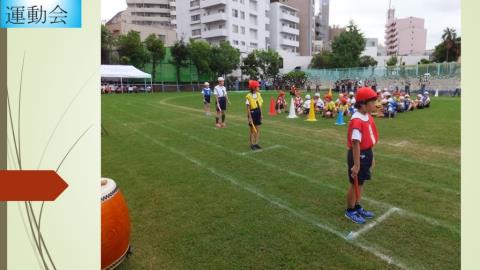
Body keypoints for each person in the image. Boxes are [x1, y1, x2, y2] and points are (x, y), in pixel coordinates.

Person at [345, 87, 379, 224]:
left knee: (362, 182)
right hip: (358, 155)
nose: (375, 104)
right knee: (355, 184)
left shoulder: (367, 116)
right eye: (372, 102)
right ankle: (350, 210)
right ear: (363, 104)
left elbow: (368, 140)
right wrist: (357, 164)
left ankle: (357, 206)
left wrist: (372, 156)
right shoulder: (357, 120)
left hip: (366, 153)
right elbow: (355, 143)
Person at [246, 80, 264, 151]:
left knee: (257, 129)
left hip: (257, 112)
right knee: (252, 130)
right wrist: (250, 117)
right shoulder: (248, 96)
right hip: (252, 113)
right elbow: (248, 108)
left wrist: (261, 114)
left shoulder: (258, 94)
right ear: (253, 87)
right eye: (257, 87)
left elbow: (259, 105)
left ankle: (256, 143)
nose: (259, 88)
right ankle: (252, 144)